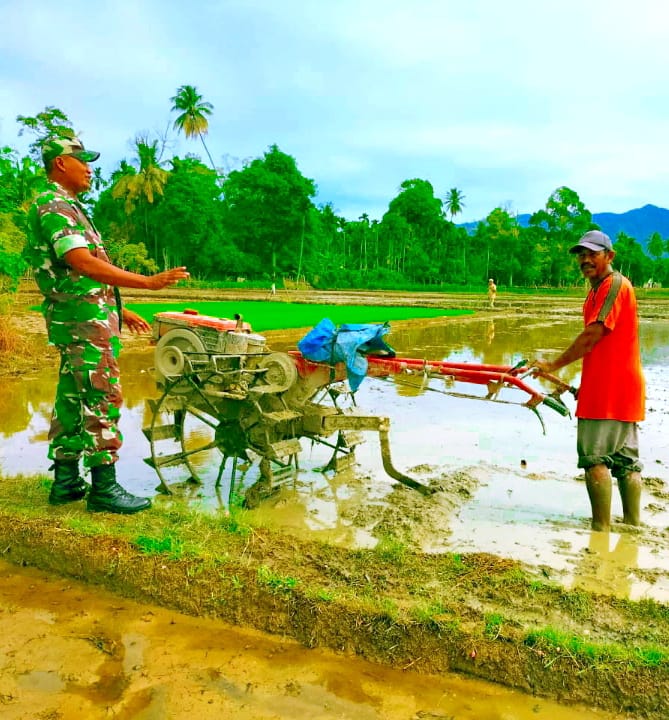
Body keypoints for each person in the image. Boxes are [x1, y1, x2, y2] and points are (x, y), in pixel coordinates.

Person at [24, 134, 190, 514]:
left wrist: (120, 307)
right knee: (102, 396)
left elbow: (87, 271)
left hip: (84, 316)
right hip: (84, 320)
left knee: (70, 399)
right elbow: (81, 261)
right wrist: (147, 282)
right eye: (81, 160)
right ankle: (104, 489)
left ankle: (65, 483)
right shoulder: (54, 205)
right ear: (60, 163)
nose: (89, 168)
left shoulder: (70, 206)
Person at [530, 230, 644, 532]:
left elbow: (594, 334)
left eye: (593, 253)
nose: (585, 259)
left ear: (610, 256)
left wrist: (553, 363)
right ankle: (633, 528)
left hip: (608, 389)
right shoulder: (598, 290)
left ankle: (600, 531)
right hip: (622, 388)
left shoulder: (612, 286)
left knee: (595, 460)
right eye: (581, 254)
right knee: (626, 462)